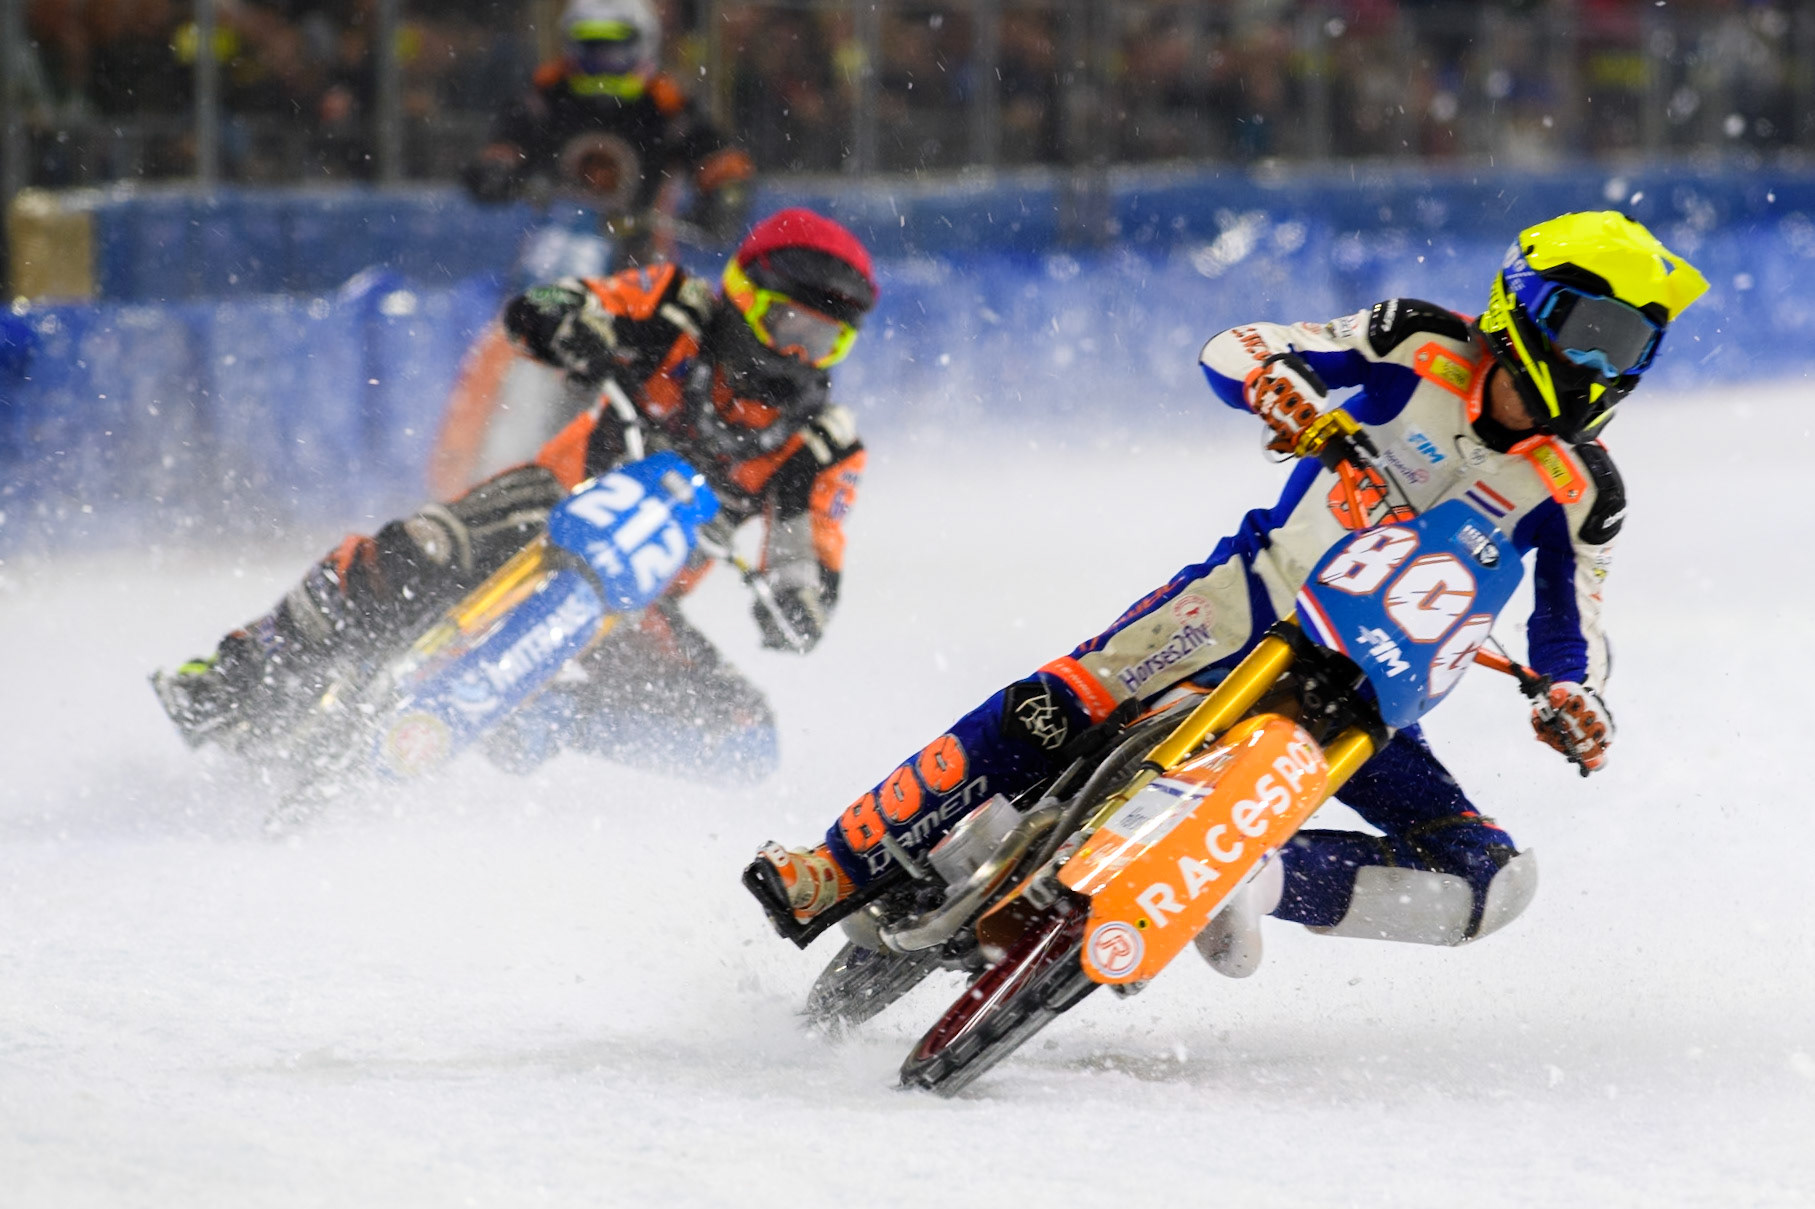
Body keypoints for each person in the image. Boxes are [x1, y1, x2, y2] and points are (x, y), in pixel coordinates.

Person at [745, 211, 1707, 974]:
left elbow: (1569, 629)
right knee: (1057, 704)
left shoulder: (1584, 490)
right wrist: (1278, 387)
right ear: (1525, 302)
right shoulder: (1413, 342)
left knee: (1489, 880)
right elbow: (1238, 346)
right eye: (1593, 332)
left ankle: (1244, 877)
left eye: (1631, 347)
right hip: (1247, 599)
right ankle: (837, 862)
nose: (1600, 366)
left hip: (1372, 704)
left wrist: (1572, 693)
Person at [154, 208, 877, 783]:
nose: (798, 355)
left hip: (638, 599)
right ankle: (245, 672)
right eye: (791, 327)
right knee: (420, 549)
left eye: (826, 340)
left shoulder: (822, 442)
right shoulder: (673, 309)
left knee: (744, 742)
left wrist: (798, 598)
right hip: (552, 504)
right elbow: (570, 302)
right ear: (744, 300)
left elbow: (808, 544)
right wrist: (570, 322)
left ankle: (545, 714)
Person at [463, 0, 755, 254]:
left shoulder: (665, 102)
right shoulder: (548, 94)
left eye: (614, 49)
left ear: (643, 44)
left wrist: (726, 197)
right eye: (591, 48)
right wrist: (495, 171)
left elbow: (720, 159)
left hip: (641, 255)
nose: (601, 63)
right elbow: (505, 145)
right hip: (552, 247)